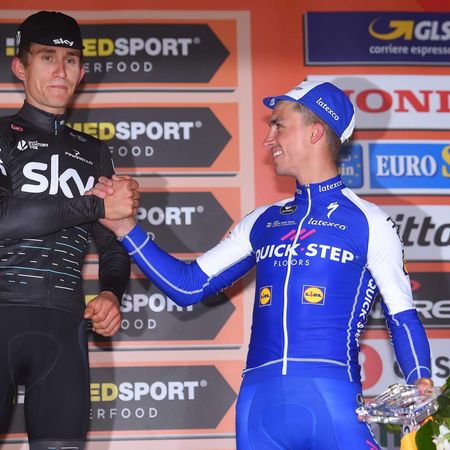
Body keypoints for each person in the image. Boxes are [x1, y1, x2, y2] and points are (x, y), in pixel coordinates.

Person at [92, 81, 432, 449]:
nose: (268, 140)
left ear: (316, 132)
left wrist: (422, 385)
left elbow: (402, 317)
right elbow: (188, 286)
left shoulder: (370, 222)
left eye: (278, 126)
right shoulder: (263, 221)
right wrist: (126, 229)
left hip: (331, 402)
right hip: (258, 407)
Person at [0, 11, 139, 450]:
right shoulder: (1, 135)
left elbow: (112, 242)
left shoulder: (94, 152)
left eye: (71, 59)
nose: (61, 70)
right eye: (47, 57)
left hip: (64, 328)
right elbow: (4, 218)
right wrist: (95, 204)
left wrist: (111, 292)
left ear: (81, 72)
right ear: (20, 67)